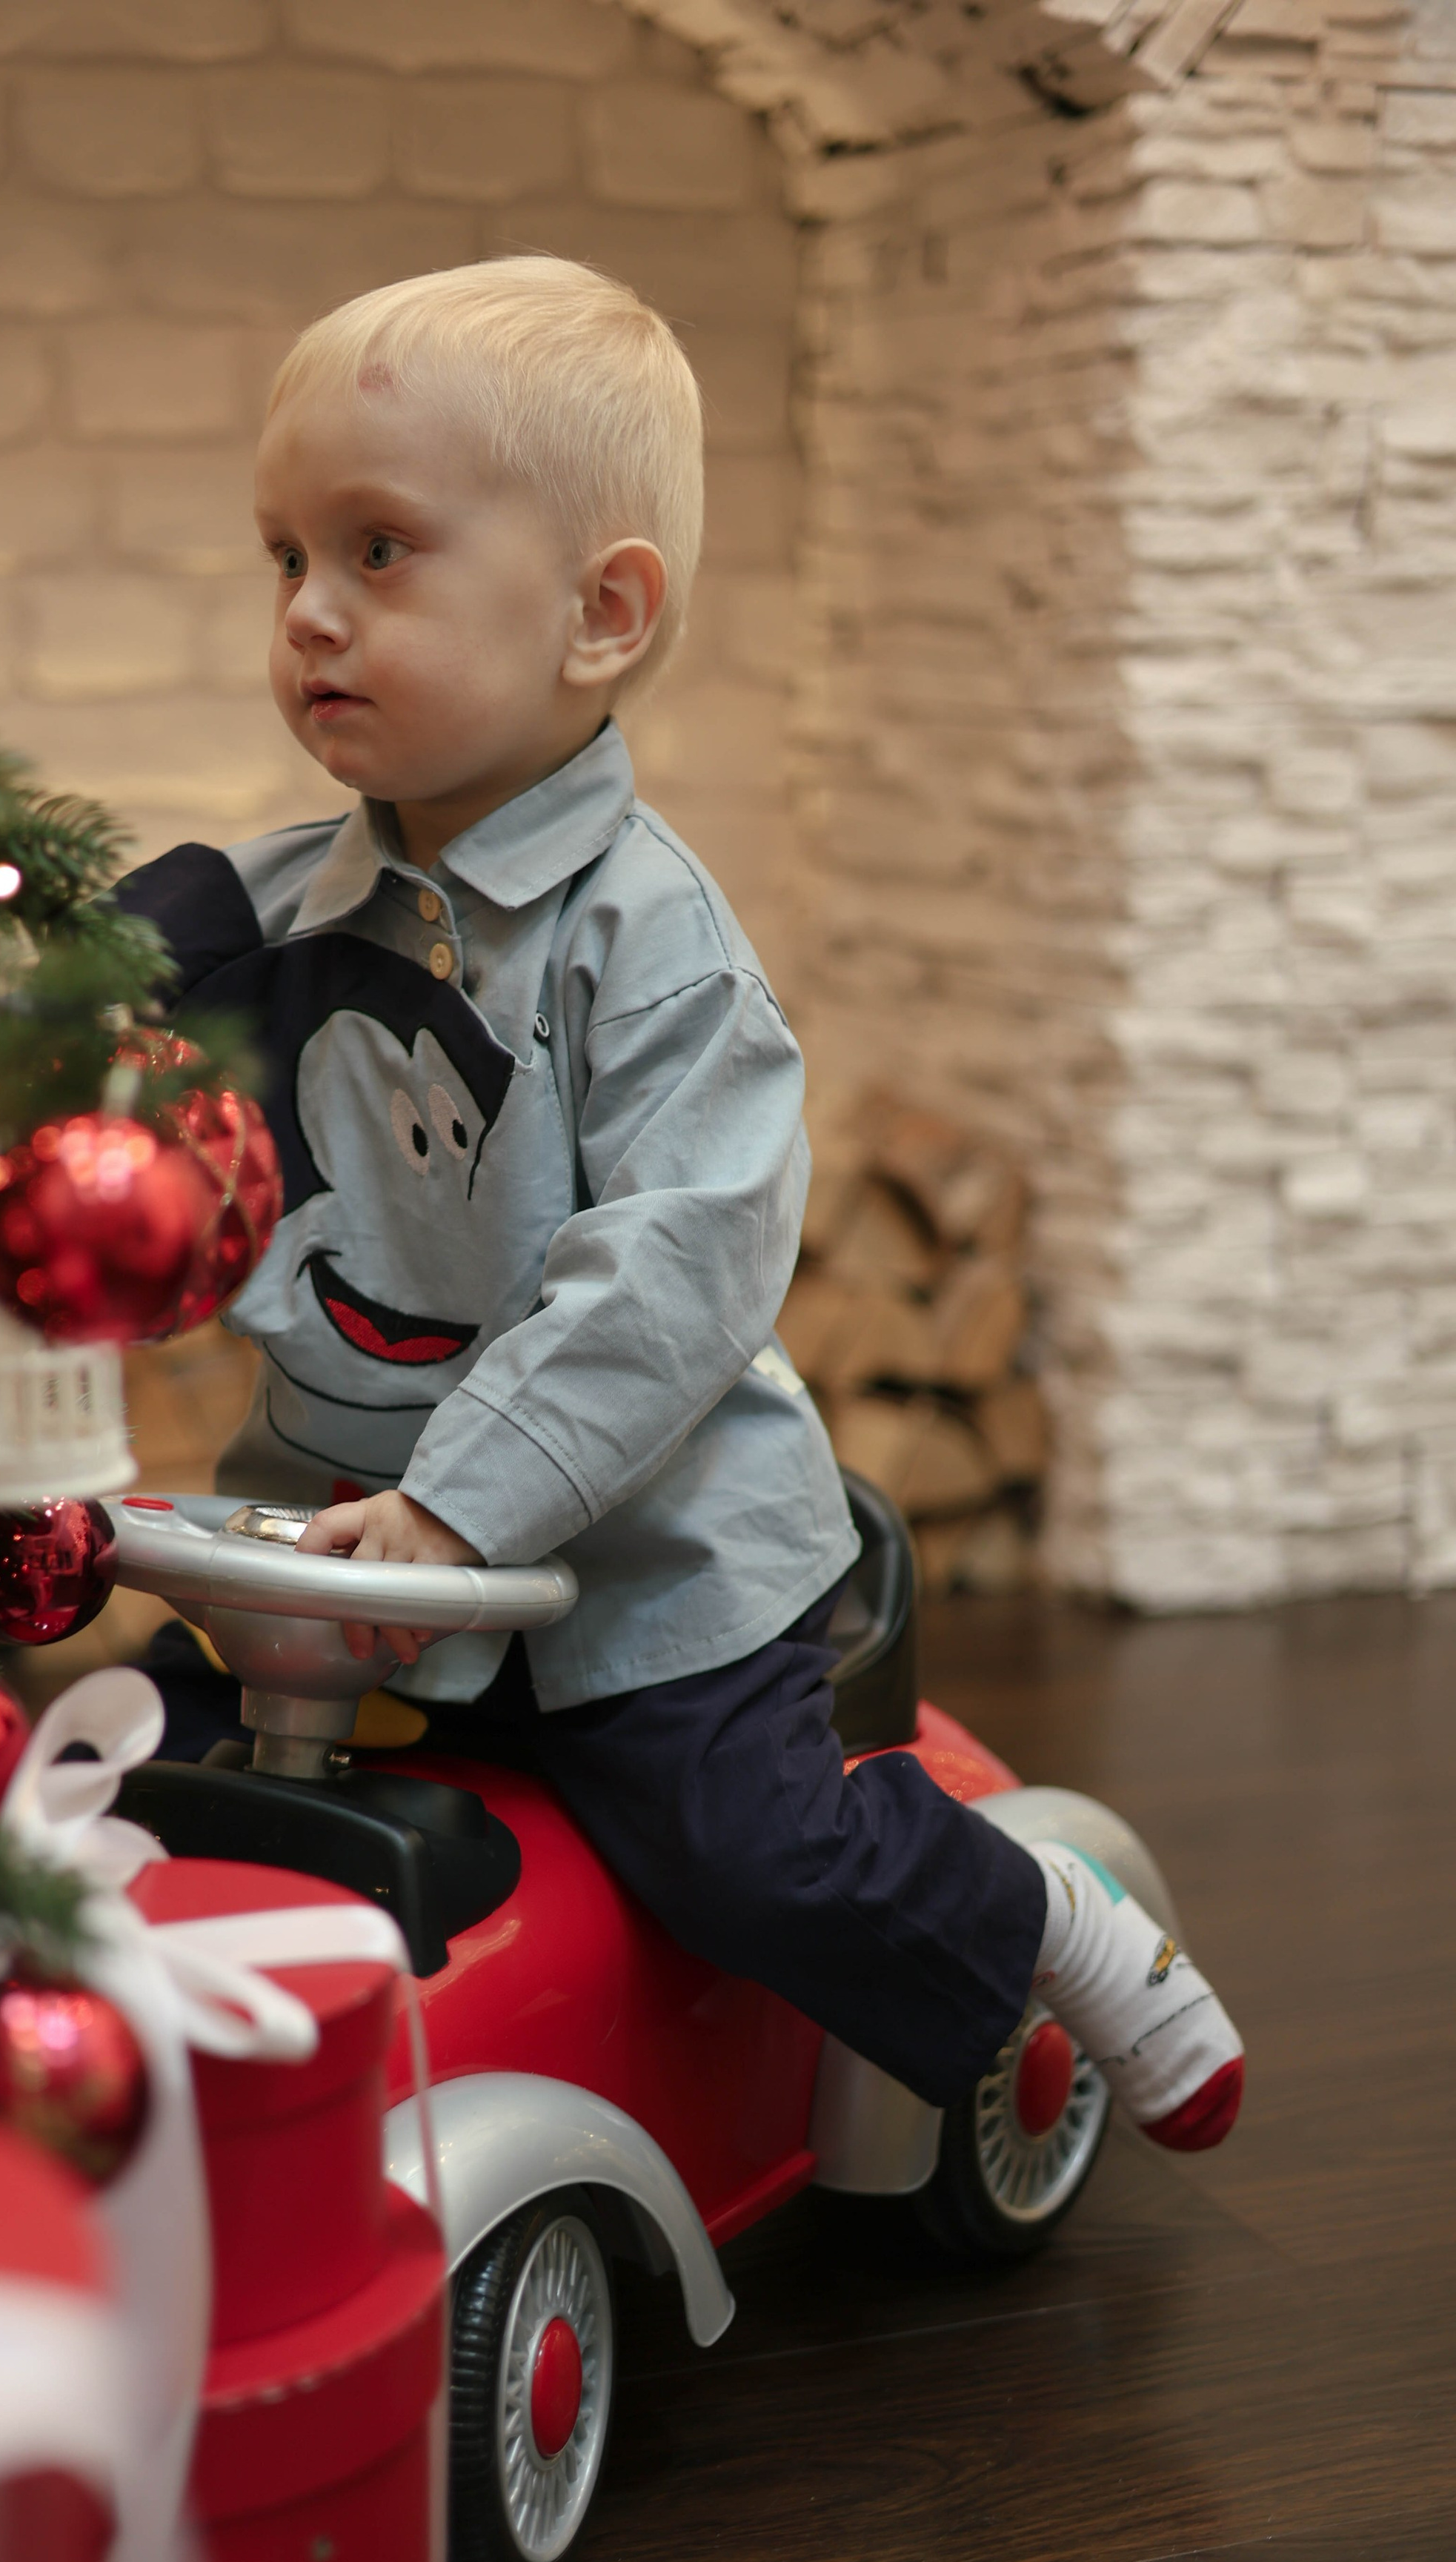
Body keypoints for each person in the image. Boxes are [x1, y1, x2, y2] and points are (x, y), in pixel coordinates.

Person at [119, 257, 1243, 2150]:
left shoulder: (658, 958)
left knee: (746, 1858)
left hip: (636, 1578)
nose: (305, 612)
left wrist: (460, 1502)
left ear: (599, 612)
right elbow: (82, 1037)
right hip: (337, 1557)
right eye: (282, 558)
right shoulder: (257, 903)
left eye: (376, 550)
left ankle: (1035, 1913)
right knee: (128, 1770)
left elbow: (672, 1277)